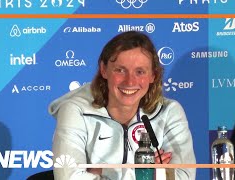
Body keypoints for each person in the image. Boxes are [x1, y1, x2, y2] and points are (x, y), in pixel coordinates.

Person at [48, 31, 196, 180]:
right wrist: (146, 173)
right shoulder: (74, 110)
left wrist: (102, 171)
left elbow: (184, 176)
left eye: (140, 71)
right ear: (104, 69)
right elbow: (67, 177)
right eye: (120, 70)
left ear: (153, 75)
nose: (130, 82)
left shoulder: (170, 112)